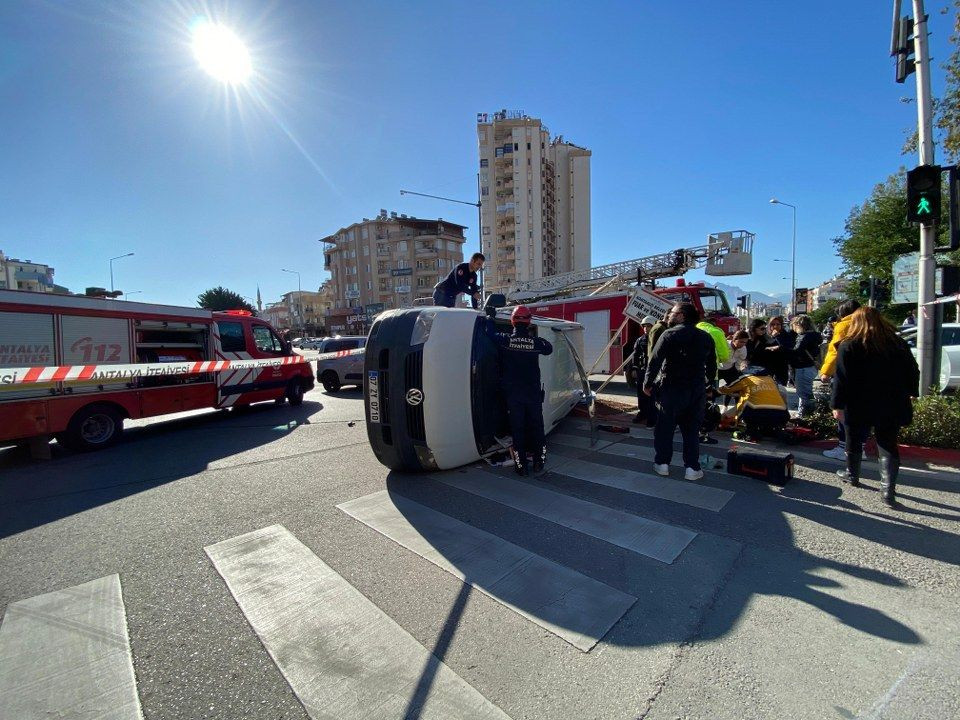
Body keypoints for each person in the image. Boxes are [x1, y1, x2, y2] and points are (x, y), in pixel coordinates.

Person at [831, 307, 919, 507]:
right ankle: (888, 491)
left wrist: (837, 404)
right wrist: (912, 392)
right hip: (892, 401)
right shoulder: (897, 343)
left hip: (858, 402)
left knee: (853, 439)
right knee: (888, 444)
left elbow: (841, 379)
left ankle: (852, 475)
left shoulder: (849, 345)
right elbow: (913, 370)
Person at [643, 302, 716, 481]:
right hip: (696, 390)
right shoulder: (706, 337)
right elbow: (712, 367)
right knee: (691, 430)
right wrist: (708, 387)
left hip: (672, 388)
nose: (669, 316)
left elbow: (655, 361)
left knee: (665, 428)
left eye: (673, 313)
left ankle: (662, 464)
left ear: (682, 315)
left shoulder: (669, 334)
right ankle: (692, 468)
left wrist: (647, 383)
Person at [488, 305, 553, 475]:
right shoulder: (535, 343)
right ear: (529, 322)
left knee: (518, 432)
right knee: (538, 430)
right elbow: (549, 348)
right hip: (533, 395)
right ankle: (540, 462)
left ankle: (520, 466)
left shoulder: (506, 340)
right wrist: (533, 340)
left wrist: (489, 317)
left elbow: (490, 333)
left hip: (514, 396)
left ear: (513, 321)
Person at [818, 299, 861, 460]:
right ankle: (859, 448)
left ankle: (844, 447)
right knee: (859, 415)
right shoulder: (869, 325)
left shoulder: (844, 326)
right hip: (866, 377)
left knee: (842, 412)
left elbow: (835, 352)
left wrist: (825, 372)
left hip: (845, 374)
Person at [717, 366, 790, 440]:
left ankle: (752, 430)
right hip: (782, 416)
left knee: (746, 401)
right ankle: (773, 430)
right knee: (755, 400)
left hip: (756, 416)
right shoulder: (770, 379)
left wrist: (713, 391)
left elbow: (725, 389)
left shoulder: (745, 378)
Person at [789, 315, 822, 418]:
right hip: (811, 367)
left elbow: (797, 351)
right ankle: (807, 413)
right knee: (807, 391)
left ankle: (804, 415)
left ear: (799, 325)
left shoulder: (804, 337)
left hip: (803, 367)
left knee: (803, 393)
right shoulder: (815, 336)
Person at [631, 316, 656, 425]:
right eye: (644, 326)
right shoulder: (640, 340)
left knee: (652, 395)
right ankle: (643, 413)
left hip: (654, 372)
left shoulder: (658, 339)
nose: (646, 328)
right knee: (641, 394)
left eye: (648, 326)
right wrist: (634, 368)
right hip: (642, 371)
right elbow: (635, 355)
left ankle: (652, 416)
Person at [718, 330, 749, 407]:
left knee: (735, 388)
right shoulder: (725, 344)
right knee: (712, 390)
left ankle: (734, 409)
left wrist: (738, 372)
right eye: (741, 342)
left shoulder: (743, 349)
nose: (743, 344)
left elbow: (739, 362)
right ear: (734, 339)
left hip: (730, 369)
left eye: (745, 342)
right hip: (717, 369)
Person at [764, 315, 795, 386]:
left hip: (782, 365)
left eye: (778, 324)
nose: (775, 326)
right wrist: (772, 337)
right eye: (773, 324)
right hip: (768, 364)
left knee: (781, 387)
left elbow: (789, 347)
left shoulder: (786, 335)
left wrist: (778, 342)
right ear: (769, 325)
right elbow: (762, 347)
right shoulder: (765, 335)